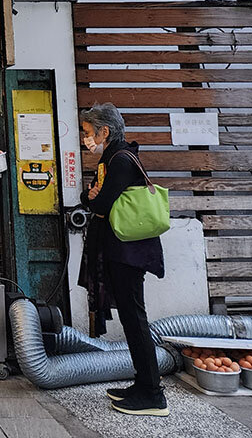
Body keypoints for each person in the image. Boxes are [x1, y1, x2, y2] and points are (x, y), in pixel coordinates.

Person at [79, 103, 168, 418]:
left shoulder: (119, 160)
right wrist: (93, 198)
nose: (86, 138)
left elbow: (100, 203)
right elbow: (88, 197)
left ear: (105, 131)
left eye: (89, 132)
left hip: (128, 252)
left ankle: (153, 393)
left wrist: (95, 199)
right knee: (131, 317)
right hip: (120, 250)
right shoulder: (110, 158)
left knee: (135, 318)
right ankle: (143, 384)